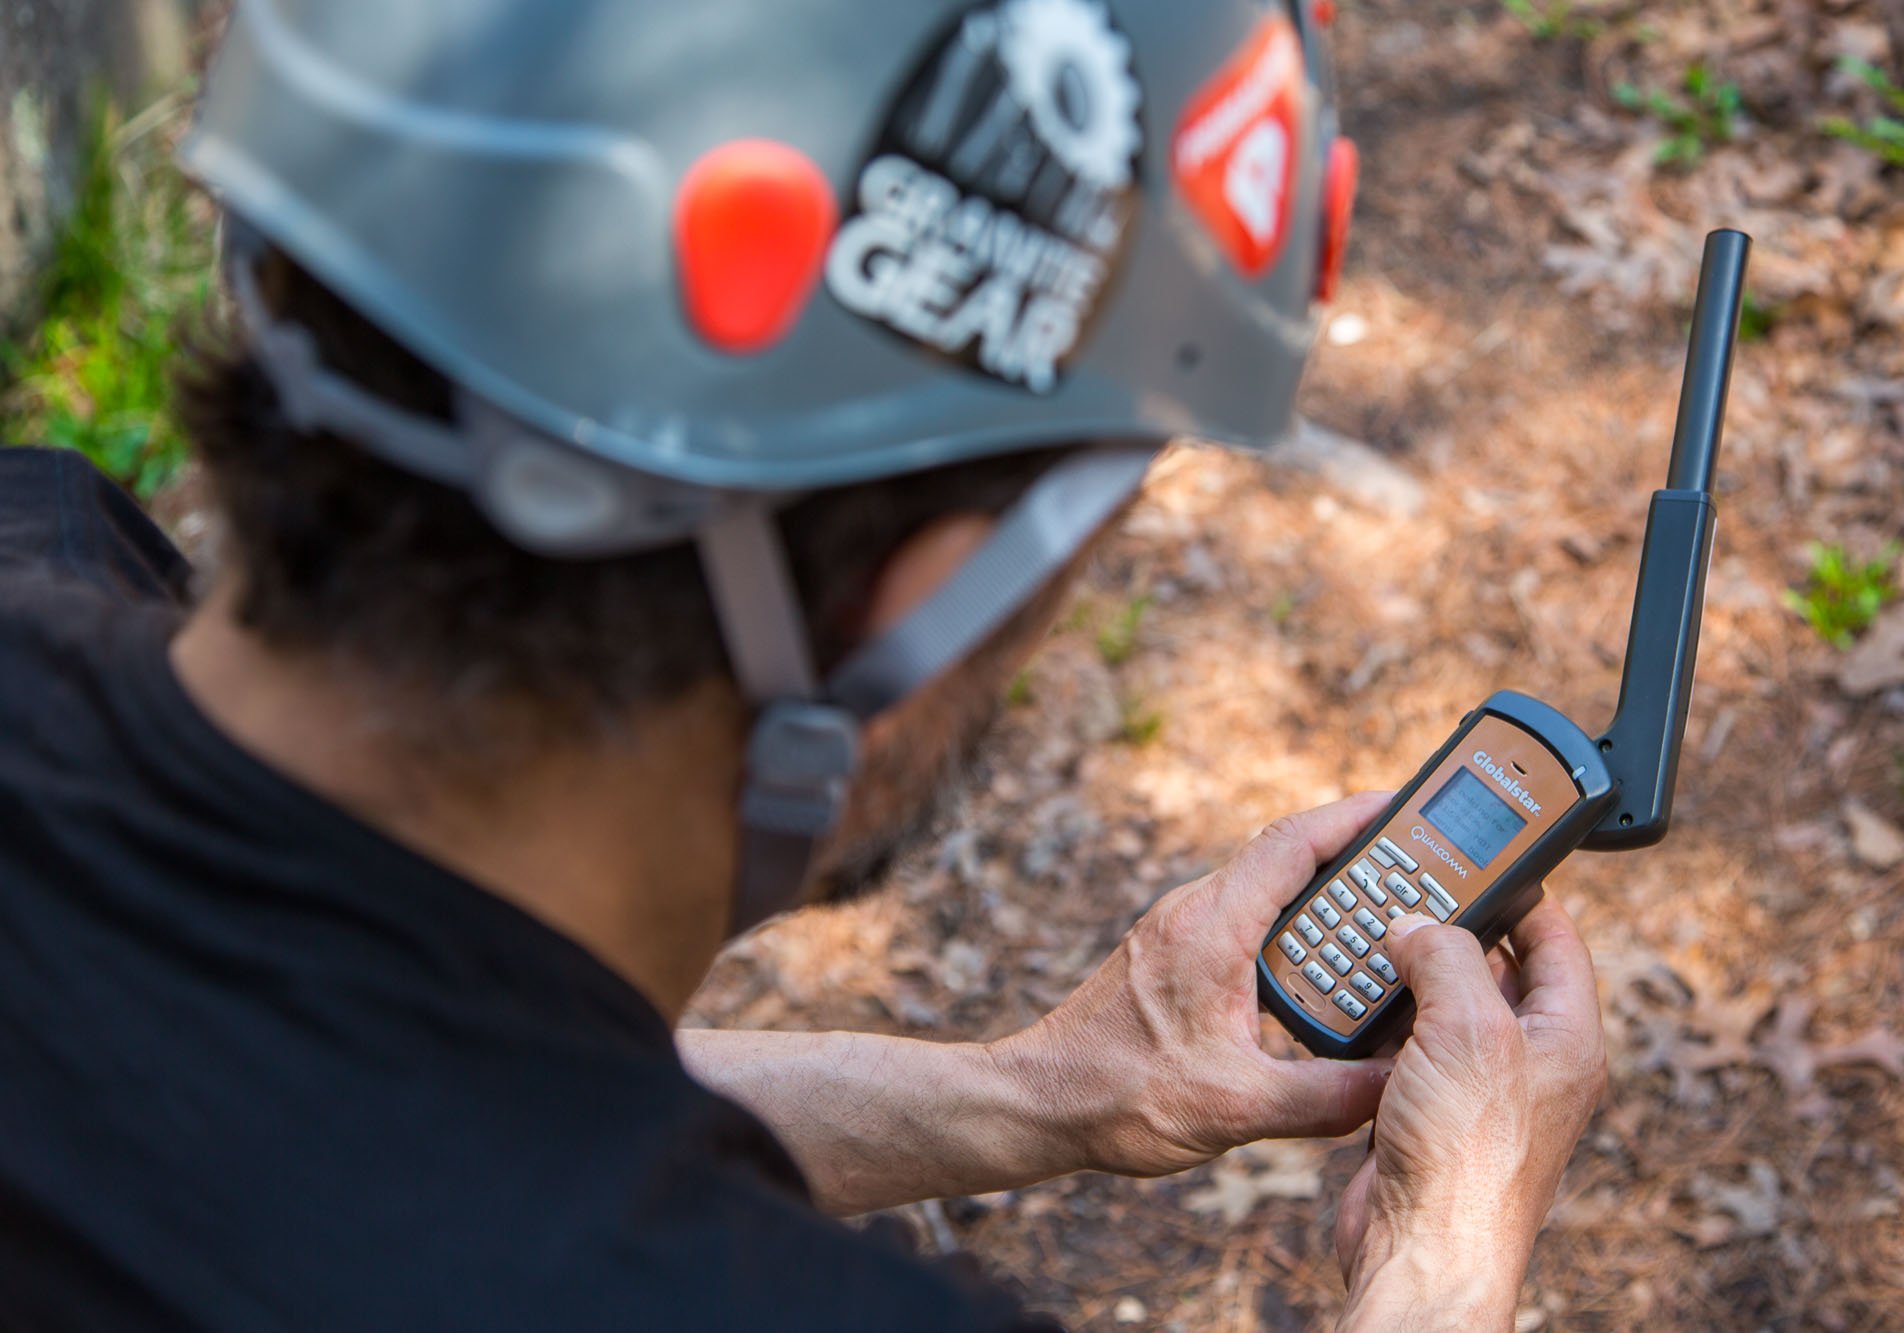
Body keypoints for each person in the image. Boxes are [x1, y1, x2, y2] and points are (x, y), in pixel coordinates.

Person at [0, 0, 1607, 1328]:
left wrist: (1038, 1092)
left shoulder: (39, 545)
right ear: (912, 607)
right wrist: (1439, 1274)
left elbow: (345, 1073)